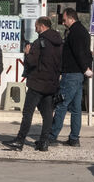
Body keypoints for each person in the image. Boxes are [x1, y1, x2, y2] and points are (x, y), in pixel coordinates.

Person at [6, 17, 62, 152]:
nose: (35, 29)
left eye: (36, 27)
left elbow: (32, 62)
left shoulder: (39, 42)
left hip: (37, 83)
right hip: (51, 84)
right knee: (47, 114)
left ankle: (20, 140)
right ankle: (43, 143)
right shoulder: (59, 43)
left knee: (28, 112)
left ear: (42, 26)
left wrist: (27, 53)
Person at [48, 8, 92, 148]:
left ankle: (52, 136)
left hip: (72, 74)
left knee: (62, 104)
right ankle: (74, 138)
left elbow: (80, 53)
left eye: (64, 19)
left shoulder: (75, 33)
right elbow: (87, 53)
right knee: (76, 108)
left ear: (71, 18)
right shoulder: (82, 31)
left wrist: (85, 68)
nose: (63, 22)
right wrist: (86, 69)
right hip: (78, 74)